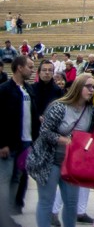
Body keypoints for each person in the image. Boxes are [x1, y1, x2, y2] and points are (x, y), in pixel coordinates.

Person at [28, 73, 94, 227]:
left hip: (72, 163)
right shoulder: (60, 106)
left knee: (72, 204)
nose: (92, 90)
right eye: (88, 86)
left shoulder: (90, 111)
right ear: (78, 87)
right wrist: (66, 140)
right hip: (49, 159)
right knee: (47, 200)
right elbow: (45, 131)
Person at [0, 55, 33, 227]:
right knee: (3, 181)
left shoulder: (29, 89)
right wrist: (2, 143)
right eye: (29, 66)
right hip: (9, 144)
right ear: (19, 68)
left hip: (25, 143)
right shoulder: (4, 89)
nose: (32, 70)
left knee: (16, 179)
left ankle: (6, 216)